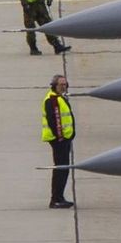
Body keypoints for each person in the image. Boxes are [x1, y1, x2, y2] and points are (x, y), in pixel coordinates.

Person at [42, 74, 75, 209]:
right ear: (54, 86)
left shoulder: (60, 98)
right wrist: (61, 137)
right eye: (61, 84)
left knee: (64, 169)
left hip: (64, 139)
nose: (63, 87)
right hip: (59, 141)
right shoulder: (53, 100)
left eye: (65, 84)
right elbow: (54, 120)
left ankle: (59, 197)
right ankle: (55, 199)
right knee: (60, 169)